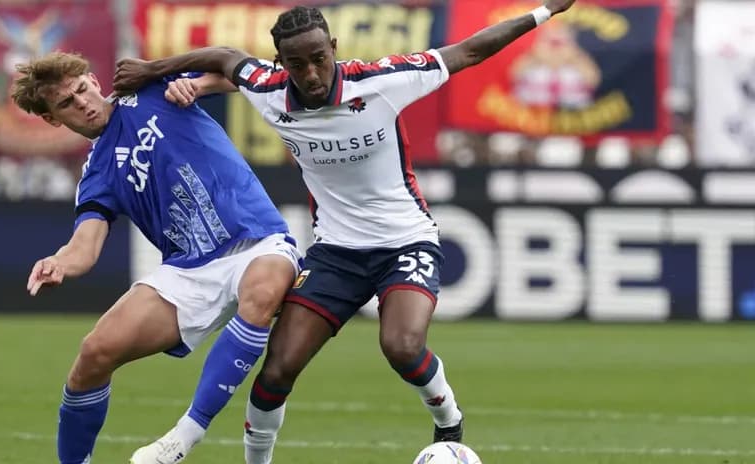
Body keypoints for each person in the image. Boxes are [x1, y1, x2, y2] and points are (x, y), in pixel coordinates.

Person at [111, 1, 576, 462]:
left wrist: (545, 11)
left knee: (401, 345)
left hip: (405, 241)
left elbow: (470, 51)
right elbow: (224, 58)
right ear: (281, 64)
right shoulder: (268, 88)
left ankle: (448, 420)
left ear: (333, 47)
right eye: (296, 64)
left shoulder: (381, 82)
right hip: (335, 253)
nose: (311, 73)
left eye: (319, 58)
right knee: (276, 372)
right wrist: (156, 71)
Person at [12, 51, 302, 464]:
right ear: (53, 120)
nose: (82, 104)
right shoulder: (98, 172)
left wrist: (198, 85)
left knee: (262, 287)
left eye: (81, 90)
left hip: (257, 238)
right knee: (94, 352)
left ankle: (183, 437)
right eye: (66, 104)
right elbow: (86, 244)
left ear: (93, 80)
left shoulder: (147, 87)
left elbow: (251, 75)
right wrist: (60, 261)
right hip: (189, 270)